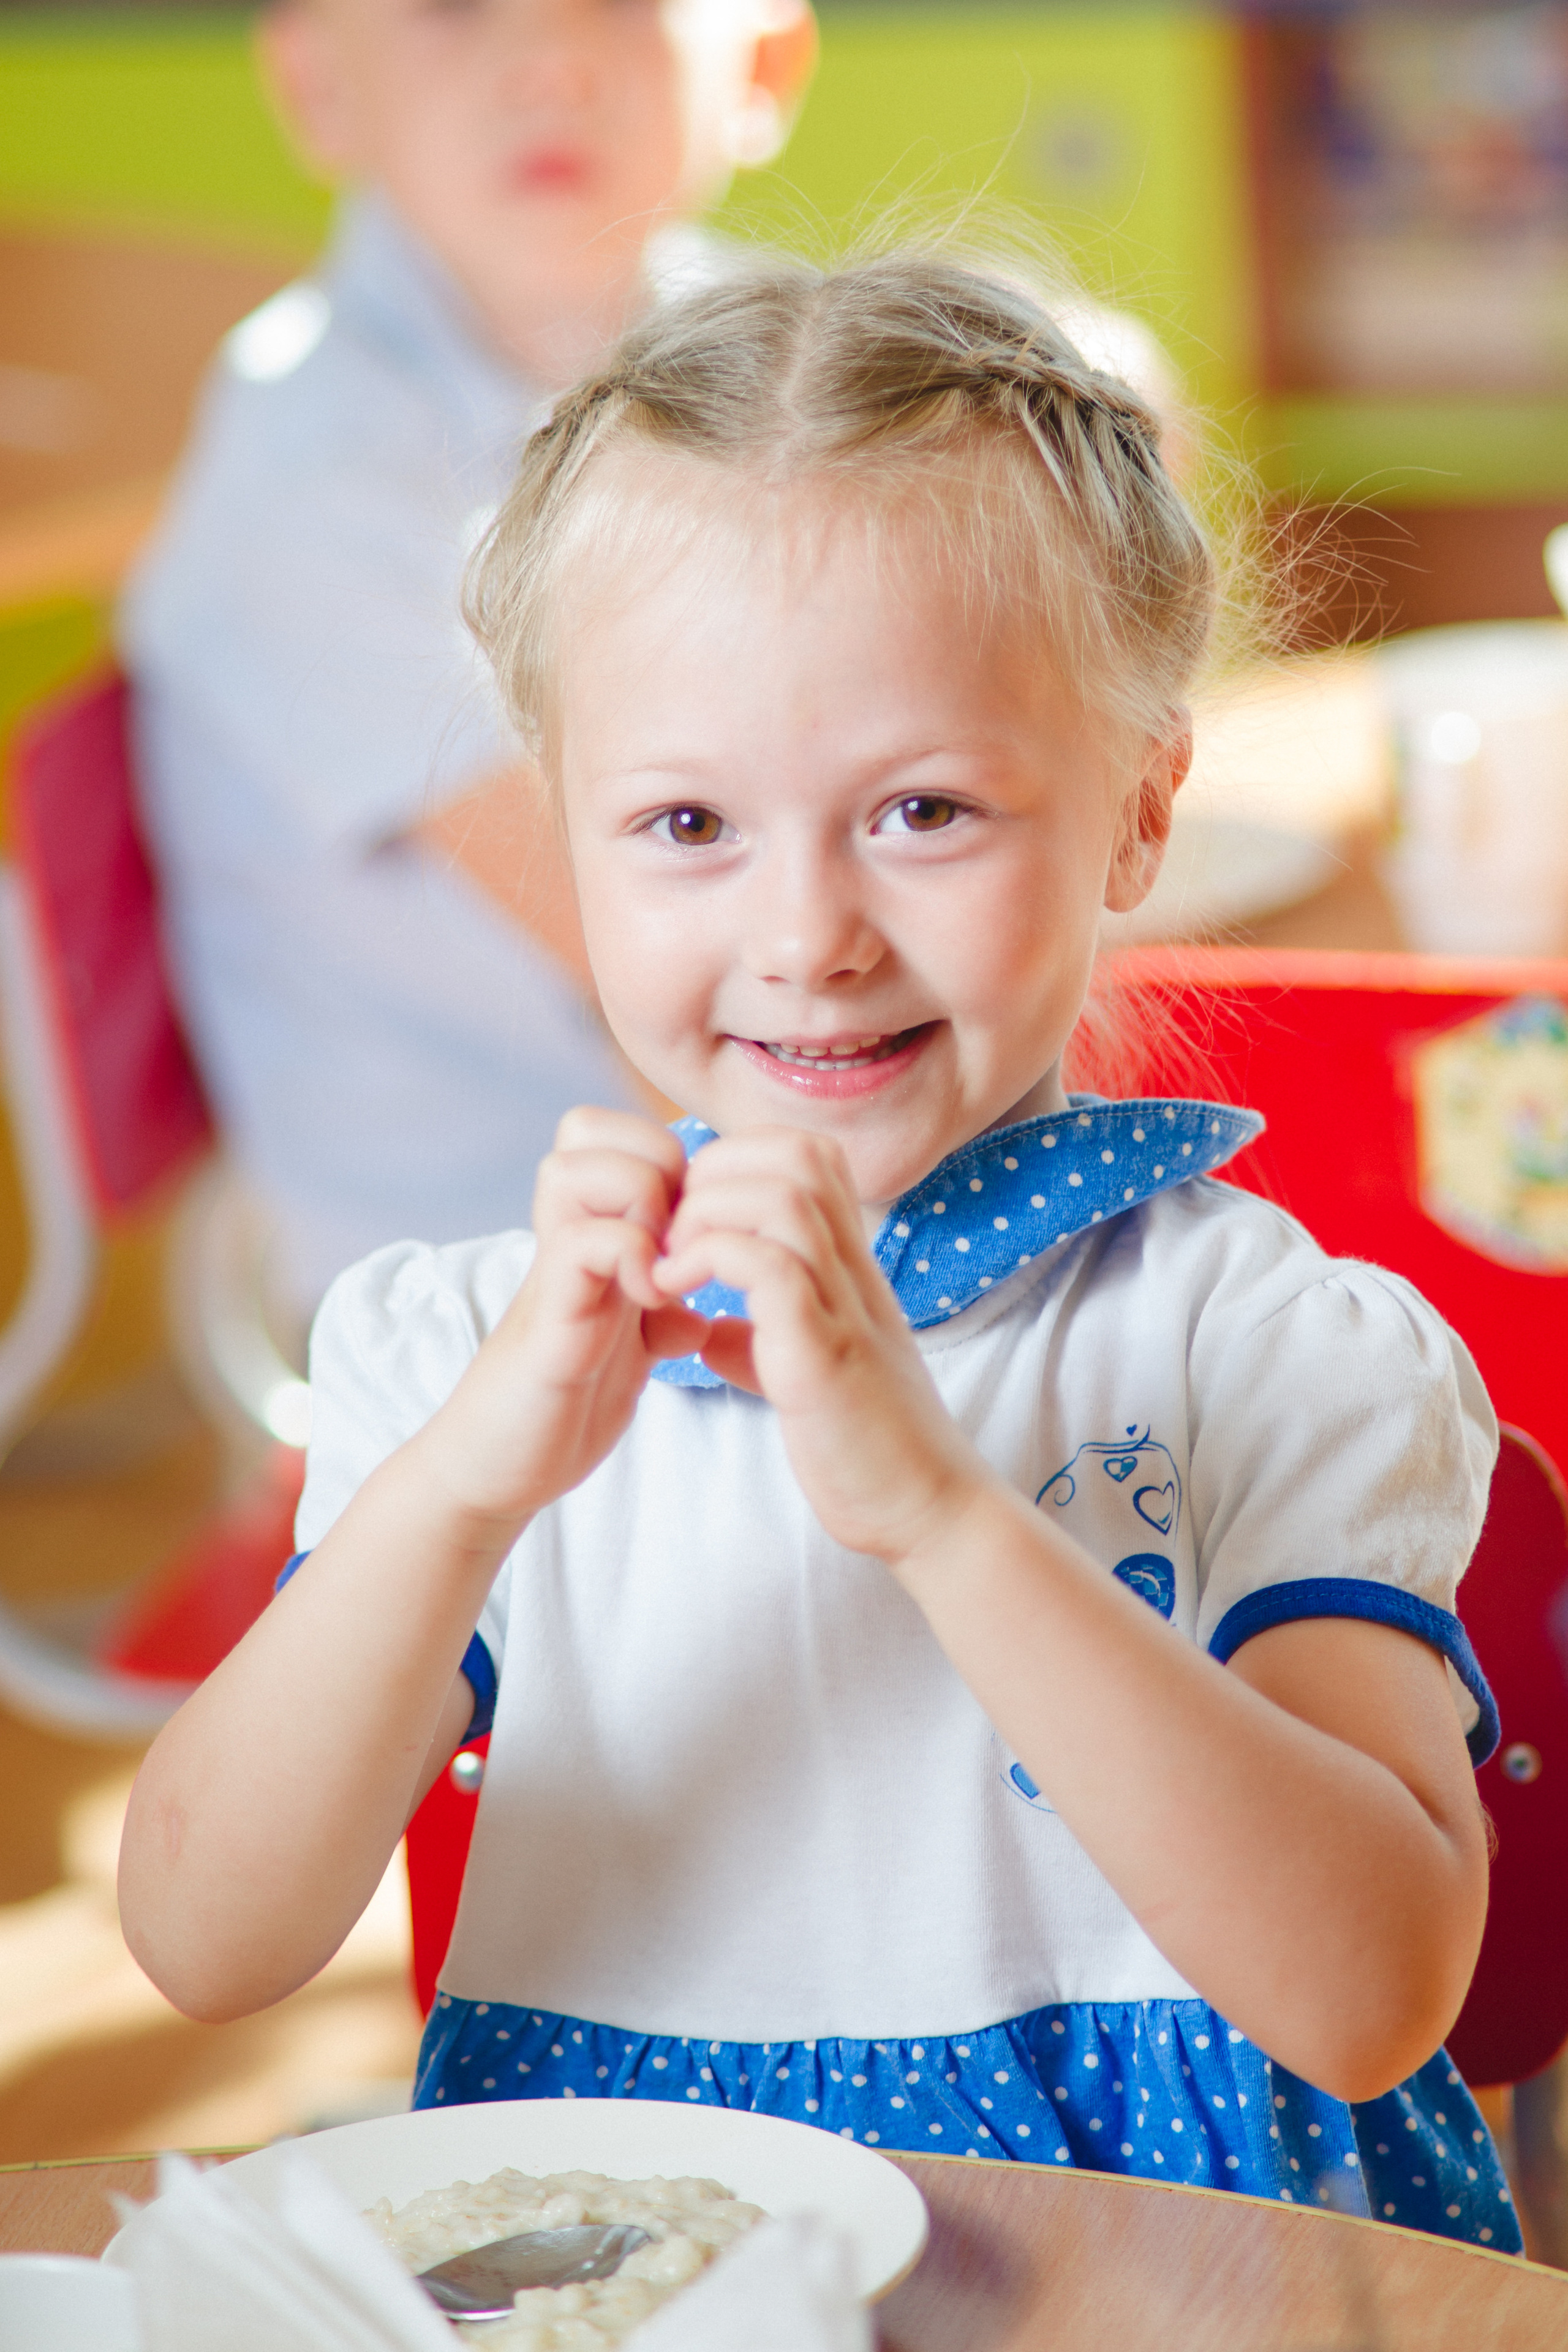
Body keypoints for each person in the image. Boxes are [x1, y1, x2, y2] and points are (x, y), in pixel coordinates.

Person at [119, 249, 1517, 2252]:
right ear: (566, 826)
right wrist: (461, 1490)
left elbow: (1371, 1998)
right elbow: (200, 1938)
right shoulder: (462, 1352)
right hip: (642, 2271)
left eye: (924, 810)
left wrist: (946, 1513)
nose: (808, 936)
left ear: (1139, 813)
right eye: (685, 826)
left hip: (1166, 2277)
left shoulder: (1262, 1342)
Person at [119, 0, 817, 1321]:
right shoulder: (312, 470)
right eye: (452, 8)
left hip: (737, 1148)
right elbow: (662, 939)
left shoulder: (725, 337)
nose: (547, 56)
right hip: (493, 1289)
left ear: (766, 60)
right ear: (317, 84)